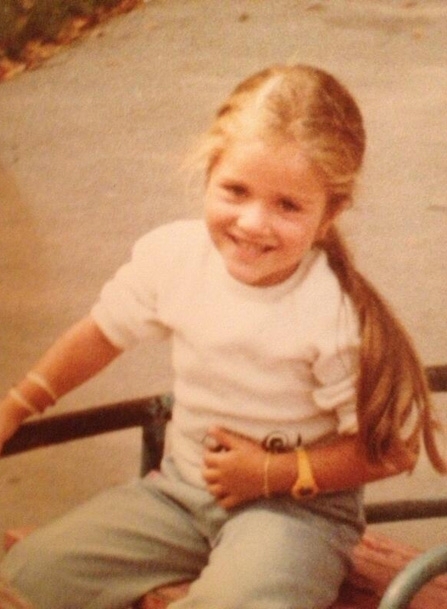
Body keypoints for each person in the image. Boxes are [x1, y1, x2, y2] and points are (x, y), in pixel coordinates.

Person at [0, 64, 445, 609]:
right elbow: (101, 334)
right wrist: (17, 405)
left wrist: (272, 473)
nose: (253, 223)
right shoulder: (174, 258)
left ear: (331, 212)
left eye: (288, 205)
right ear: (209, 172)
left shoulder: (335, 317)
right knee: (31, 574)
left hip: (297, 513)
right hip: (180, 495)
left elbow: (393, 450)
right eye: (235, 190)